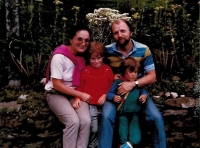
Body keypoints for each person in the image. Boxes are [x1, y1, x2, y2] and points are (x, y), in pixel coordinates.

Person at [98, 19, 166, 148]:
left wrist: (133, 84)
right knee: (106, 117)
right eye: (116, 32)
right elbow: (97, 71)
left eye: (123, 31)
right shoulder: (107, 51)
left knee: (156, 117)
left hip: (137, 92)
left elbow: (152, 77)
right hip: (115, 93)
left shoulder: (143, 49)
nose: (120, 35)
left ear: (131, 32)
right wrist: (112, 77)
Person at [44, 24, 92, 148]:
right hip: (56, 93)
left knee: (86, 121)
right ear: (71, 39)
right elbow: (57, 84)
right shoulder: (59, 56)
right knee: (73, 121)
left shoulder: (83, 57)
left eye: (87, 40)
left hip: (75, 92)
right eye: (79, 39)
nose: (83, 43)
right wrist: (80, 95)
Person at [72, 41, 114, 148]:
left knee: (105, 124)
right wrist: (77, 97)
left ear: (103, 57)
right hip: (91, 104)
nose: (96, 61)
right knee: (93, 128)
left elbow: (111, 86)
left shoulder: (107, 69)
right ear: (88, 59)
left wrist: (105, 95)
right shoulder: (85, 71)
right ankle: (92, 145)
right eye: (93, 59)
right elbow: (80, 87)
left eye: (99, 57)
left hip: (104, 102)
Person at [107, 57, 147, 148]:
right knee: (122, 135)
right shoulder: (118, 82)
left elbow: (143, 92)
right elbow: (109, 93)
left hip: (135, 115)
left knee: (136, 136)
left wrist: (143, 96)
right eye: (131, 72)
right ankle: (122, 145)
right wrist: (113, 97)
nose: (134, 75)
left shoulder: (138, 83)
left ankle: (128, 146)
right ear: (124, 71)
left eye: (136, 72)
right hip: (122, 115)